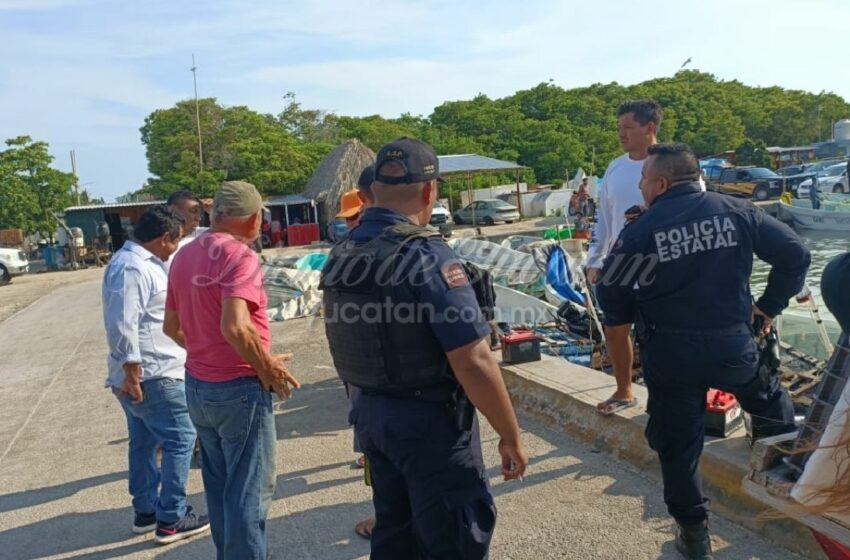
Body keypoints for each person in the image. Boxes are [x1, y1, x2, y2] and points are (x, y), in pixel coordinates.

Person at [596, 143, 809, 559]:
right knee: (771, 405)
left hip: (670, 354)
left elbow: (612, 298)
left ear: (661, 182)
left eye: (643, 179)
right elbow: (795, 254)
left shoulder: (640, 232)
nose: (639, 185)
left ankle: (694, 536)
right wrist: (768, 306)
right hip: (733, 344)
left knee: (678, 447)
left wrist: (632, 321)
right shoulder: (737, 210)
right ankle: (789, 494)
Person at [320, 138, 528, 559]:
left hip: (372, 416)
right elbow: (473, 359)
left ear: (372, 190)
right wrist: (510, 436)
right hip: (428, 425)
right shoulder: (427, 256)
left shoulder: (344, 251)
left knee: (397, 536)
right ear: (431, 192)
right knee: (455, 538)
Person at [164, 180, 301, 559]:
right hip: (238, 388)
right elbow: (236, 326)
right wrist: (267, 367)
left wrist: (207, 352)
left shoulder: (185, 255)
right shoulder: (240, 257)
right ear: (255, 218)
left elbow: (171, 328)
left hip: (198, 385)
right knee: (249, 493)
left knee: (222, 487)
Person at [102, 205, 210, 545]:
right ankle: (171, 518)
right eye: (175, 241)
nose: (176, 247)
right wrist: (131, 368)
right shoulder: (131, 268)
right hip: (152, 372)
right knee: (181, 439)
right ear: (164, 238)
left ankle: (147, 511)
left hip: (145, 371)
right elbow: (122, 321)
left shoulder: (141, 262)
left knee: (145, 441)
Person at [586, 100, 662, 416]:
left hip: (660, 265)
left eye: (628, 127)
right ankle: (624, 390)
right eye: (618, 128)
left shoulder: (672, 164)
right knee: (615, 328)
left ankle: (662, 396)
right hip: (618, 264)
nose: (621, 133)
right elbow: (604, 217)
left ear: (650, 128)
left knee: (658, 334)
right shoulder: (615, 167)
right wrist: (595, 258)